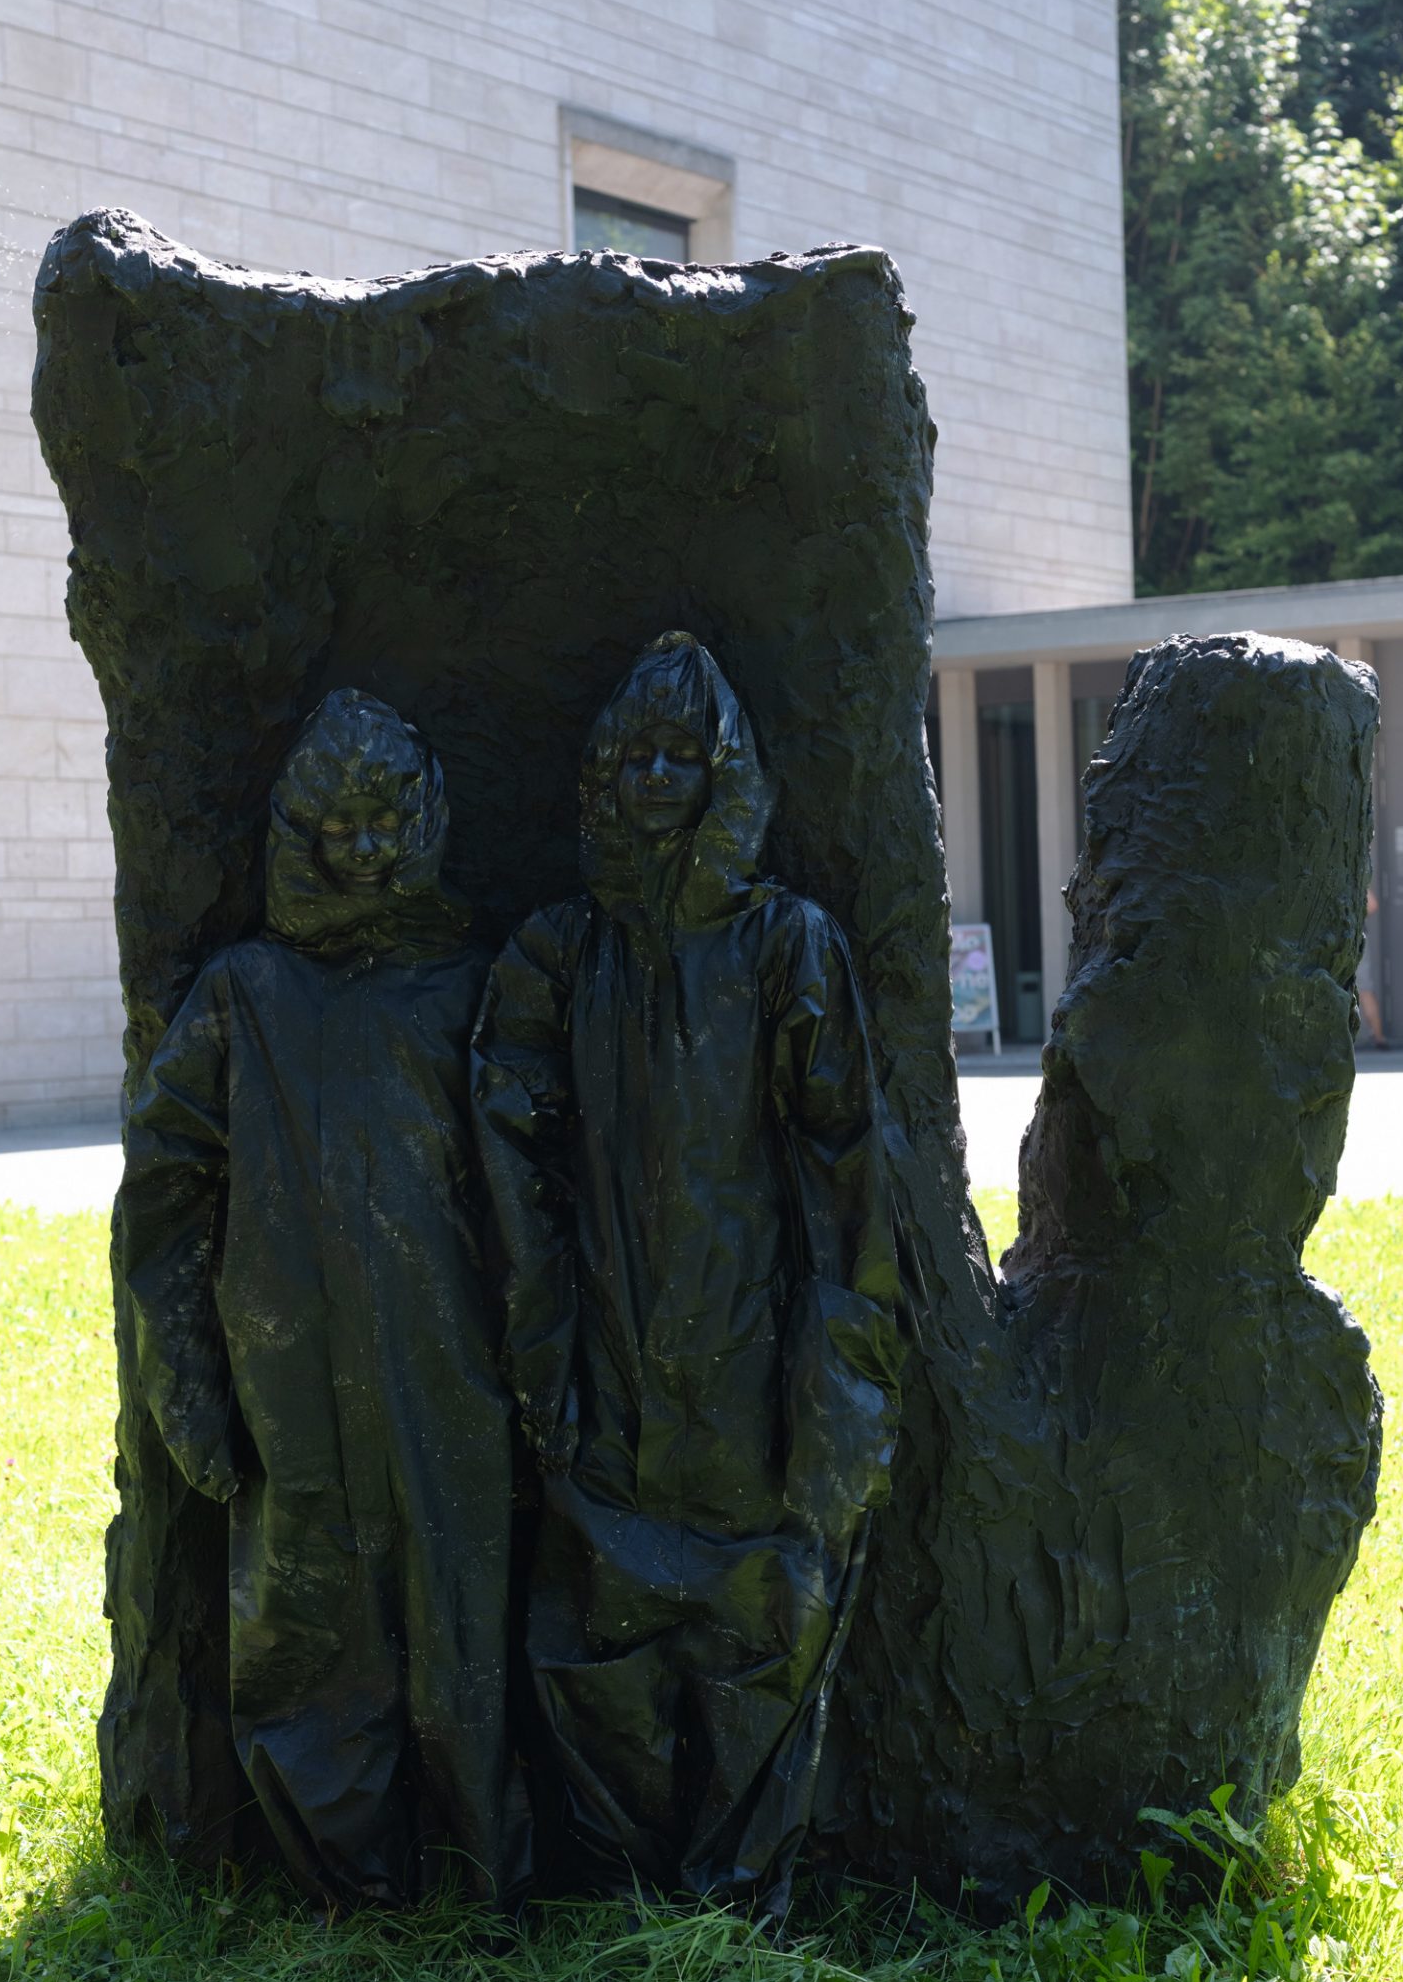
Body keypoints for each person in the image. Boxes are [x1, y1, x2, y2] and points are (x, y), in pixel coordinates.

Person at [472, 633, 903, 1917]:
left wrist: (839, 1378)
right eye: (635, 755)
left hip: (752, 1357)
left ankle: (736, 1894)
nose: (658, 778)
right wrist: (545, 1350)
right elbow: (512, 1166)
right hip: (603, 1354)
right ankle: (621, 1895)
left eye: (684, 754)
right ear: (602, 774)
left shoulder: (786, 948)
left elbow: (842, 1166)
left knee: (757, 1623)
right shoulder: (559, 954)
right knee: (596, 1629)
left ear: (729, 774)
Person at [121, 690, 527, 1912]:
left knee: (464, 1622)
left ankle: (476, 1873)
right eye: (336, 826)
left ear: (426, 820)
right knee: (305, 1632)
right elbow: (163, 1199)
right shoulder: (243, 996)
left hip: (451, 1377)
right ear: (297, 832)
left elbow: (536, 1196)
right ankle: (343, 1886)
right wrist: (190, 1394)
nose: (364, 850)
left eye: (385, 821)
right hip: (286, 1386)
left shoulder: (470, 984)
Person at [1356, 883, 1386, 1048]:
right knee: (1365, 988)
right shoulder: (1354, 875)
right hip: (1356, 937)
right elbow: (1372, 904)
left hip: (1333, 938)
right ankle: (1379, 1038)